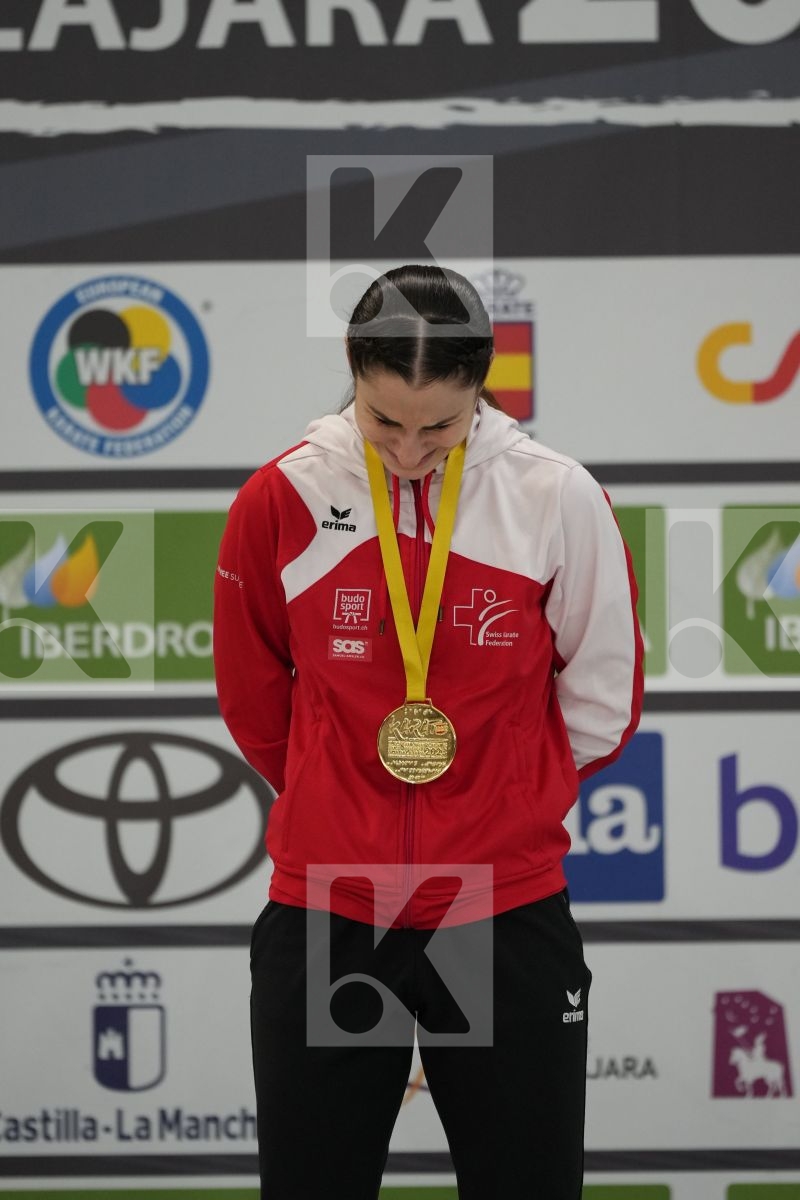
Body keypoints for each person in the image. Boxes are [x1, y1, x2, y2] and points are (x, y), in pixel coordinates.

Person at [213, 264, 644, 1199]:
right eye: (384, 420)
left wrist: (504, 794)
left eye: (440, 426)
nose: (410, 450)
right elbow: (253, 696)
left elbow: (605, 687)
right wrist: (340, 797)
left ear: (483, 386)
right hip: (331, 905)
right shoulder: (280, 497)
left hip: (499, 907)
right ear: (353, 377)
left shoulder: (555, 497)